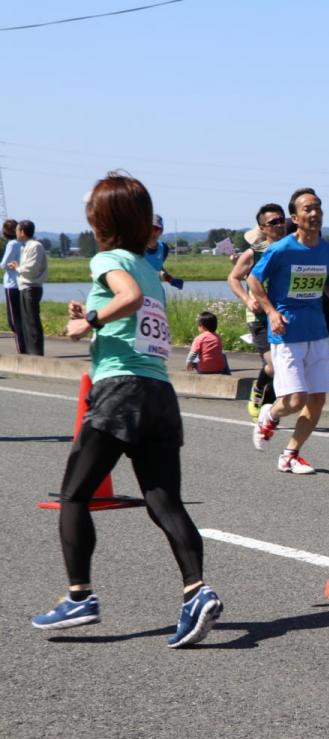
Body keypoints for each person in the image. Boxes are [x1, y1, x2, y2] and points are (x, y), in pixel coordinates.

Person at [30, 171, 222, 648]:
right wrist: (91, 318)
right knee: (163, 500)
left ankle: (79, 596)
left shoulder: (109, 258)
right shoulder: (146, 268)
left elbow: (125, 300)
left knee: (74, 495)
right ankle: (196, 592)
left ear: (103, 219)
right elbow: (136, 307)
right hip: (159, 393)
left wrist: (88, 321)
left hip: (120, 391)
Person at [248, 187, 329, 475]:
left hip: (317, 331)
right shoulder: (280, 250)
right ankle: (270, 413)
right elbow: (254, 281)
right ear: (295, 217)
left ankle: (290, 454)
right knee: (295, 400)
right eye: (307, 208)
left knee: (317, 399)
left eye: (318, 207)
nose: (315, 212)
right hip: (287, 332)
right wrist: (271, 312)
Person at [228, 203, 287, 417]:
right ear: (262, 228)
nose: (280, 225)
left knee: (283, 364)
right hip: (260, 316)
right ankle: (259, 390)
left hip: (284, 314)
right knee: (272, 363)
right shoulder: (254, 253)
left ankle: (268, 409)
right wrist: (246, 299)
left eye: (282, 220)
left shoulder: (292, 248)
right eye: (273, 222)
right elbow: (233, 279)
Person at [11, 220, 47, 355]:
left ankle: (36, 353)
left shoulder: (35, 246)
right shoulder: (26, 246)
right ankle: (31, 351)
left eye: (17, 230)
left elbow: (31, 269)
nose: (16, 232)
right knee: (26, 321)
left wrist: (17, 267)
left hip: (31, 287)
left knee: (32, 321)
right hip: (25, 286)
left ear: (22, 232)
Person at [2, 218, 24, 353]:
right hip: (22, 283)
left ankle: (21, 349)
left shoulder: (12, 244)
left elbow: (4, 264)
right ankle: (26, 347)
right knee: (22, 317)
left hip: (11, 284)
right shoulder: (24, 243)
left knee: (14, 320)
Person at [144, 214, 184, 289]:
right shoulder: (136, 247)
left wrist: (171, 280)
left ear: (161, 231)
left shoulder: (164, 249)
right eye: (150, 228)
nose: (153, 232)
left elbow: (158, 268)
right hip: (137, 291)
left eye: (156, 229)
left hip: (154, 292)